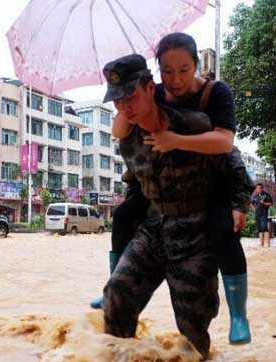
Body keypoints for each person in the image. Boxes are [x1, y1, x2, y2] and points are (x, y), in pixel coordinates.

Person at [94, 32, 254, 345]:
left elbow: (230, 159)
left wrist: (239, 204)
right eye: (118, 100)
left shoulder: (196, 122)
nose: (125, 106)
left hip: (197, 230)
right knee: (117, 297)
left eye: (132, 96)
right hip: (154, 228)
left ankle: (239, 316)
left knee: (192, 332)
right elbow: (134, 181)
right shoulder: (128, 137)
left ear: (150, 89)